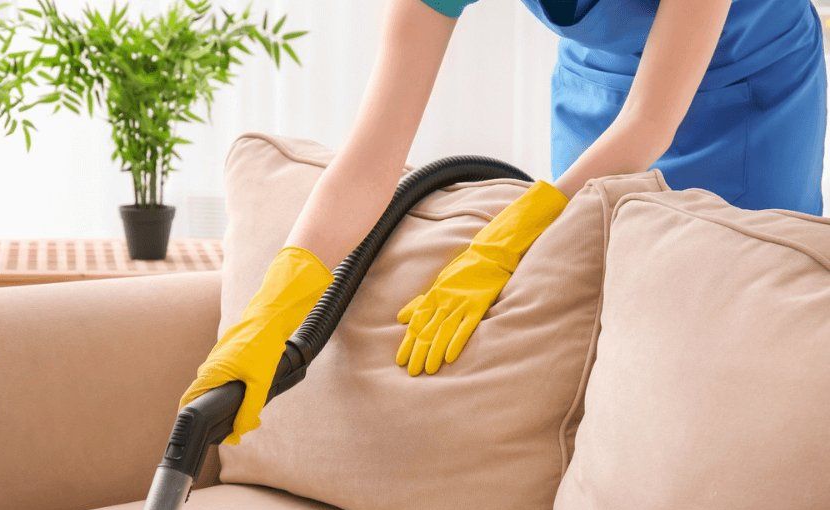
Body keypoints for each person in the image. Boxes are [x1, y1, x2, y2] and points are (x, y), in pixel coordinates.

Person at [181, 0, 827, 444]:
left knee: (734, 317)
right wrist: (271, 312)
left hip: (750, 77)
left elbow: (650, 122)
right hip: (598, 83)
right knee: (591, 297)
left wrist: (505, 239)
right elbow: (372, 155)